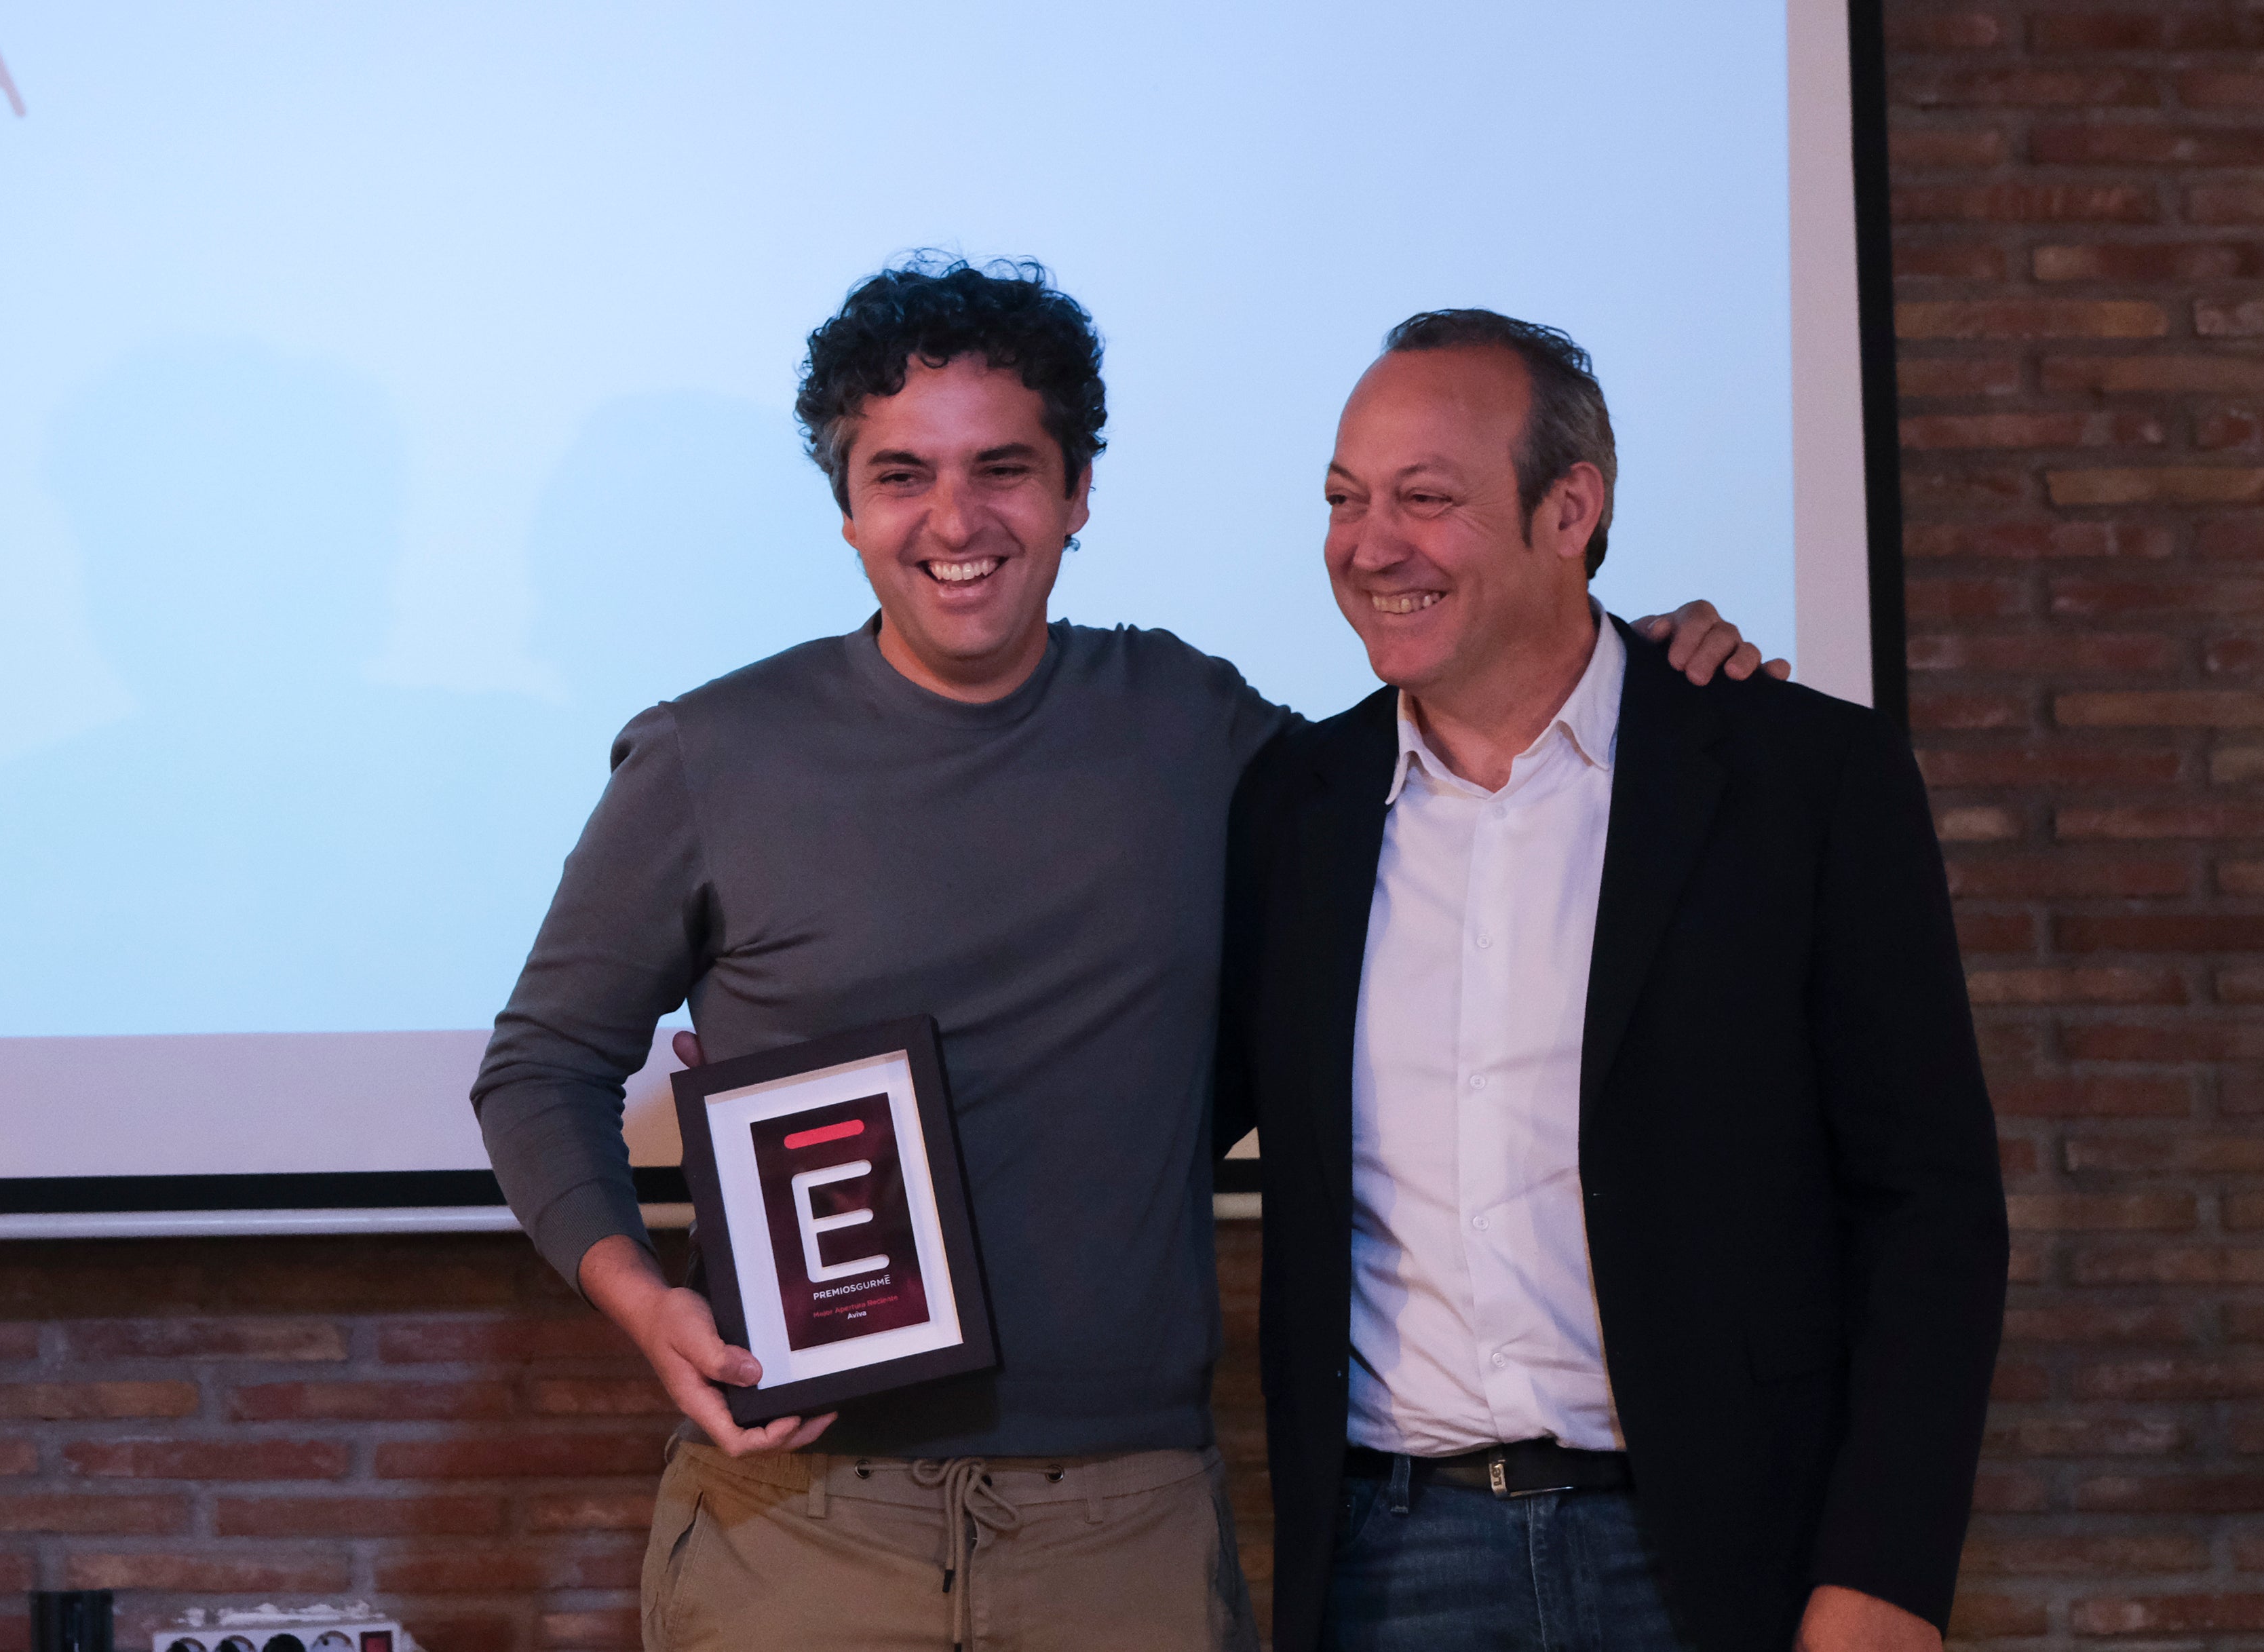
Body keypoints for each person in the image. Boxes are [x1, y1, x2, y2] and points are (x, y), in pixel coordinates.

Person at [472, 257, 1776, 1652]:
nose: (954, 520)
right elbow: (541, 1067)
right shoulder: (707, 753)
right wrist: (644, 1301)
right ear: (846, 507)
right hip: (796, 1522)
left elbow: (1450, 764)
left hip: (1123, 1531)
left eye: (1005, 470)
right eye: (900, 474)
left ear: (1077, 493)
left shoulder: (1193, 726)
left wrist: (1618, 655)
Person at [1214, 309, 2008, 1652]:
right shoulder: (1289, 809)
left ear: (1567, 507)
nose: (1368, 546)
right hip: (1389, 1567)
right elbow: (1136, 1124)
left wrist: (1885, 1569)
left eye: (1425, 498)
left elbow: (1928, 1206)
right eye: (1346, 500)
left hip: (1721, 1560)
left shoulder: (1801, 780)